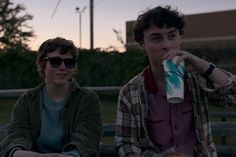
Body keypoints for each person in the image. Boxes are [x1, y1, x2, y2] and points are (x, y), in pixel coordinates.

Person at [115, 5, 236, 157]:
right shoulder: (131, 92)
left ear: (180, 39)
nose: (166, 45)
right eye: (157, 38)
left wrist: (204, 66)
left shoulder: (197, 79)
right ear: (142, 44)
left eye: (172, 36)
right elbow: (126, 144)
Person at [0, 37, 102, 157]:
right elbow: (16, 135)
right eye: (55, 61)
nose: (63, 67)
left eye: (69, 63)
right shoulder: (27, 100)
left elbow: (87, 138)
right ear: (43, 65)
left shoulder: (88, 100)